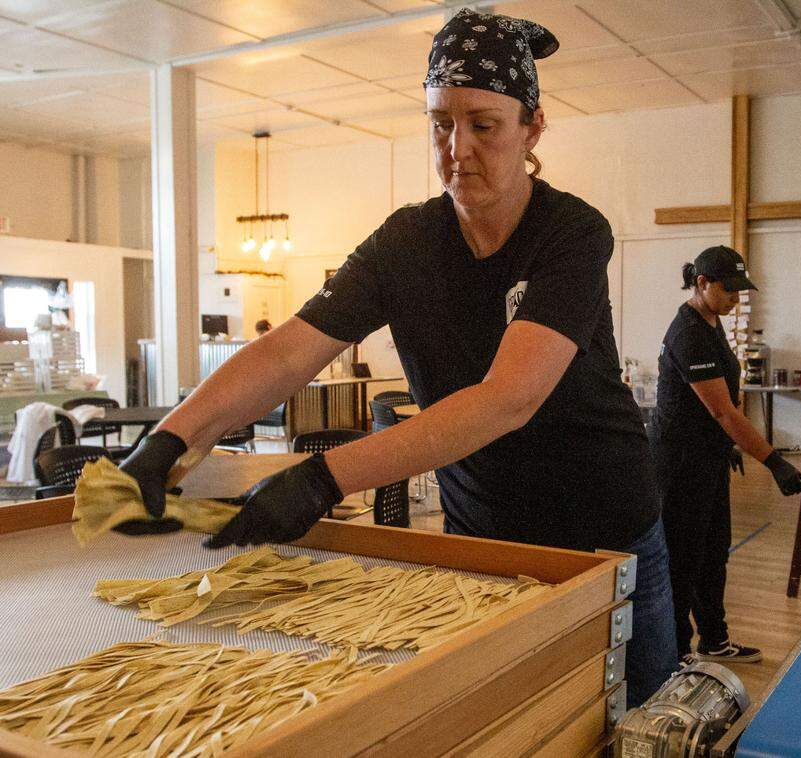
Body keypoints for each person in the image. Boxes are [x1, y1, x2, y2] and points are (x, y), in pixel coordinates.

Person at [116, 9, 676, 706]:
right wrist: (170, 439)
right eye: (440, 123)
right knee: (505, 718)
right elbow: (290, 352)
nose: (458, 149)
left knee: (640, 717)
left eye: (483, 124)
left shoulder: (571, 233)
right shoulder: (404, 243)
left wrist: (323, 478)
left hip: (603, 529)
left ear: (532, 128)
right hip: (481, 536)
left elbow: (511, 397)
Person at [649, 246, 801, 664]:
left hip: (708, 456)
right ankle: (675, 651)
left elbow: (717, 410)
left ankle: (714, 640)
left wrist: (729, 445)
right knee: (683, 558)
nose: (735, 297)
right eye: (729, 289)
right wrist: (774, 461)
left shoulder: (712, 321)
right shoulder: (689, 333)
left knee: (713, 553)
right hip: (681, 463)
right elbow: (722, 409)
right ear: (702, 283)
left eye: (740, 289)